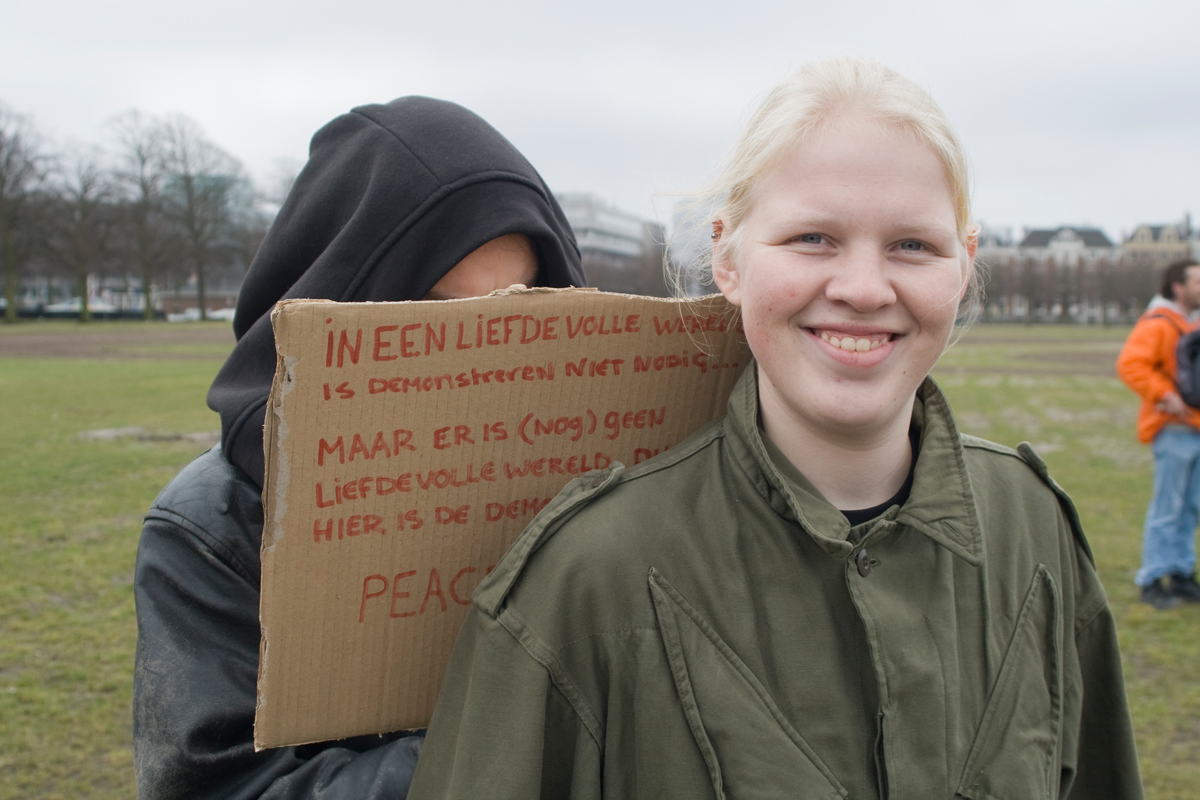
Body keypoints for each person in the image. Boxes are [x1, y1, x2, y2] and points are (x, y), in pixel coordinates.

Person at [408, 58, 1143, 799]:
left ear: (963, 265)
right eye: (812, 238)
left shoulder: (1034, 527)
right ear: (727, 258)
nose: (863, 289)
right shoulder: (586, 579)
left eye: (913, 245)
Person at [132, 96, 585, 800]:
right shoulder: (216, 528)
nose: (482, 359)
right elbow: (222, 787)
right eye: (434, 314)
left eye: (519, 311)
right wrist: (520, 742)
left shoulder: (582, 486)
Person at [1116, 259, 1200, 609]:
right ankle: (1152, 578)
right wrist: (1166, 395)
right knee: (1168, 507)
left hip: (1195, 428)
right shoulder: (1159, 322)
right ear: (1178, 287)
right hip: (1174, 429)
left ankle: (1181, 573)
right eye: (1197, 281)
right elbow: (1130, 364)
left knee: (1191, 508)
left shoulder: (1191, 323)